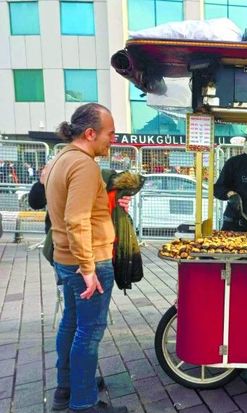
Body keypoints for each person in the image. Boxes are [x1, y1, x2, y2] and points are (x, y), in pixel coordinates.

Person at [45, 103, 128, 413]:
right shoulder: (84, 165)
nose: (113, 139)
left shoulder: (61, 158)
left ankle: (67, 389)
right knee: (89, 331)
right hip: (87, 261)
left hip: (67, 259)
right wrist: (88, 268)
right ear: (91, 133)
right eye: (110, 133)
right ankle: (83, 404)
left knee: (71, 323)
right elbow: (76, 218)